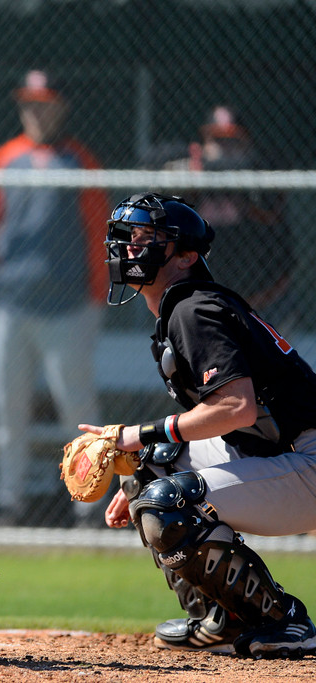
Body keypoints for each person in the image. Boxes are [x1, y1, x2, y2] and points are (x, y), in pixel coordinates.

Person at [86, 192, 316, 658]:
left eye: (147, 239)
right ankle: (224, 617)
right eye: (128, 238)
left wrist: (140, 433)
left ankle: (283, 621)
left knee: (166, 498)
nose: (130, 248)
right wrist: (141, 470)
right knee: (148, 468)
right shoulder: (184, 308)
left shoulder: (193, 309)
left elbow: (237, 408)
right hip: (278, 452)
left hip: (307, 460)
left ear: (187, 255)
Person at [0, 70, 110, 525]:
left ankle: (90, 506)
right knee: (7, 410)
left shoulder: (81, 161)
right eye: (28, 103)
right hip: (12, 305)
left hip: (68, 308)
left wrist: (96, 302)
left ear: (61, 106)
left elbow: (97, 233)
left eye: (44, 103)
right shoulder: (5, 157)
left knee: (76, 410)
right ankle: (8, 502)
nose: (35, 111)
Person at [165, 106, 295, 324]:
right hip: (208, 297)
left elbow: (270, 207)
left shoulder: (262, 171)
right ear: (204, 144)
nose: (225, 147)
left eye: (233, 140)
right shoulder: (191, 175)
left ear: (247, 144)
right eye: (217, 140)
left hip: (266, 296)